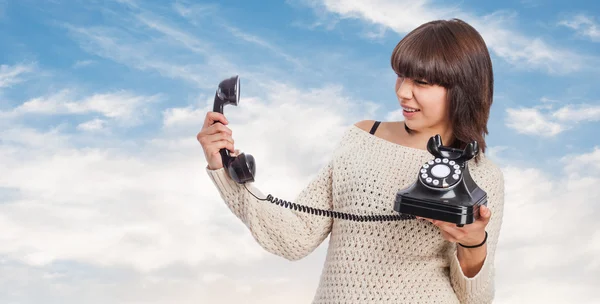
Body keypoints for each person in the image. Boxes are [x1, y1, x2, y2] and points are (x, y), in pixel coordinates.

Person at [198, 18, 505, 304]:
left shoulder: (482, 175)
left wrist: (473, 242)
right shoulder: (362, 137)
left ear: (463, 88)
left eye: (421, 82)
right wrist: (223, 169)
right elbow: (294, 237)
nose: (403, 92)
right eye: (400, 76)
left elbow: (475, 299)